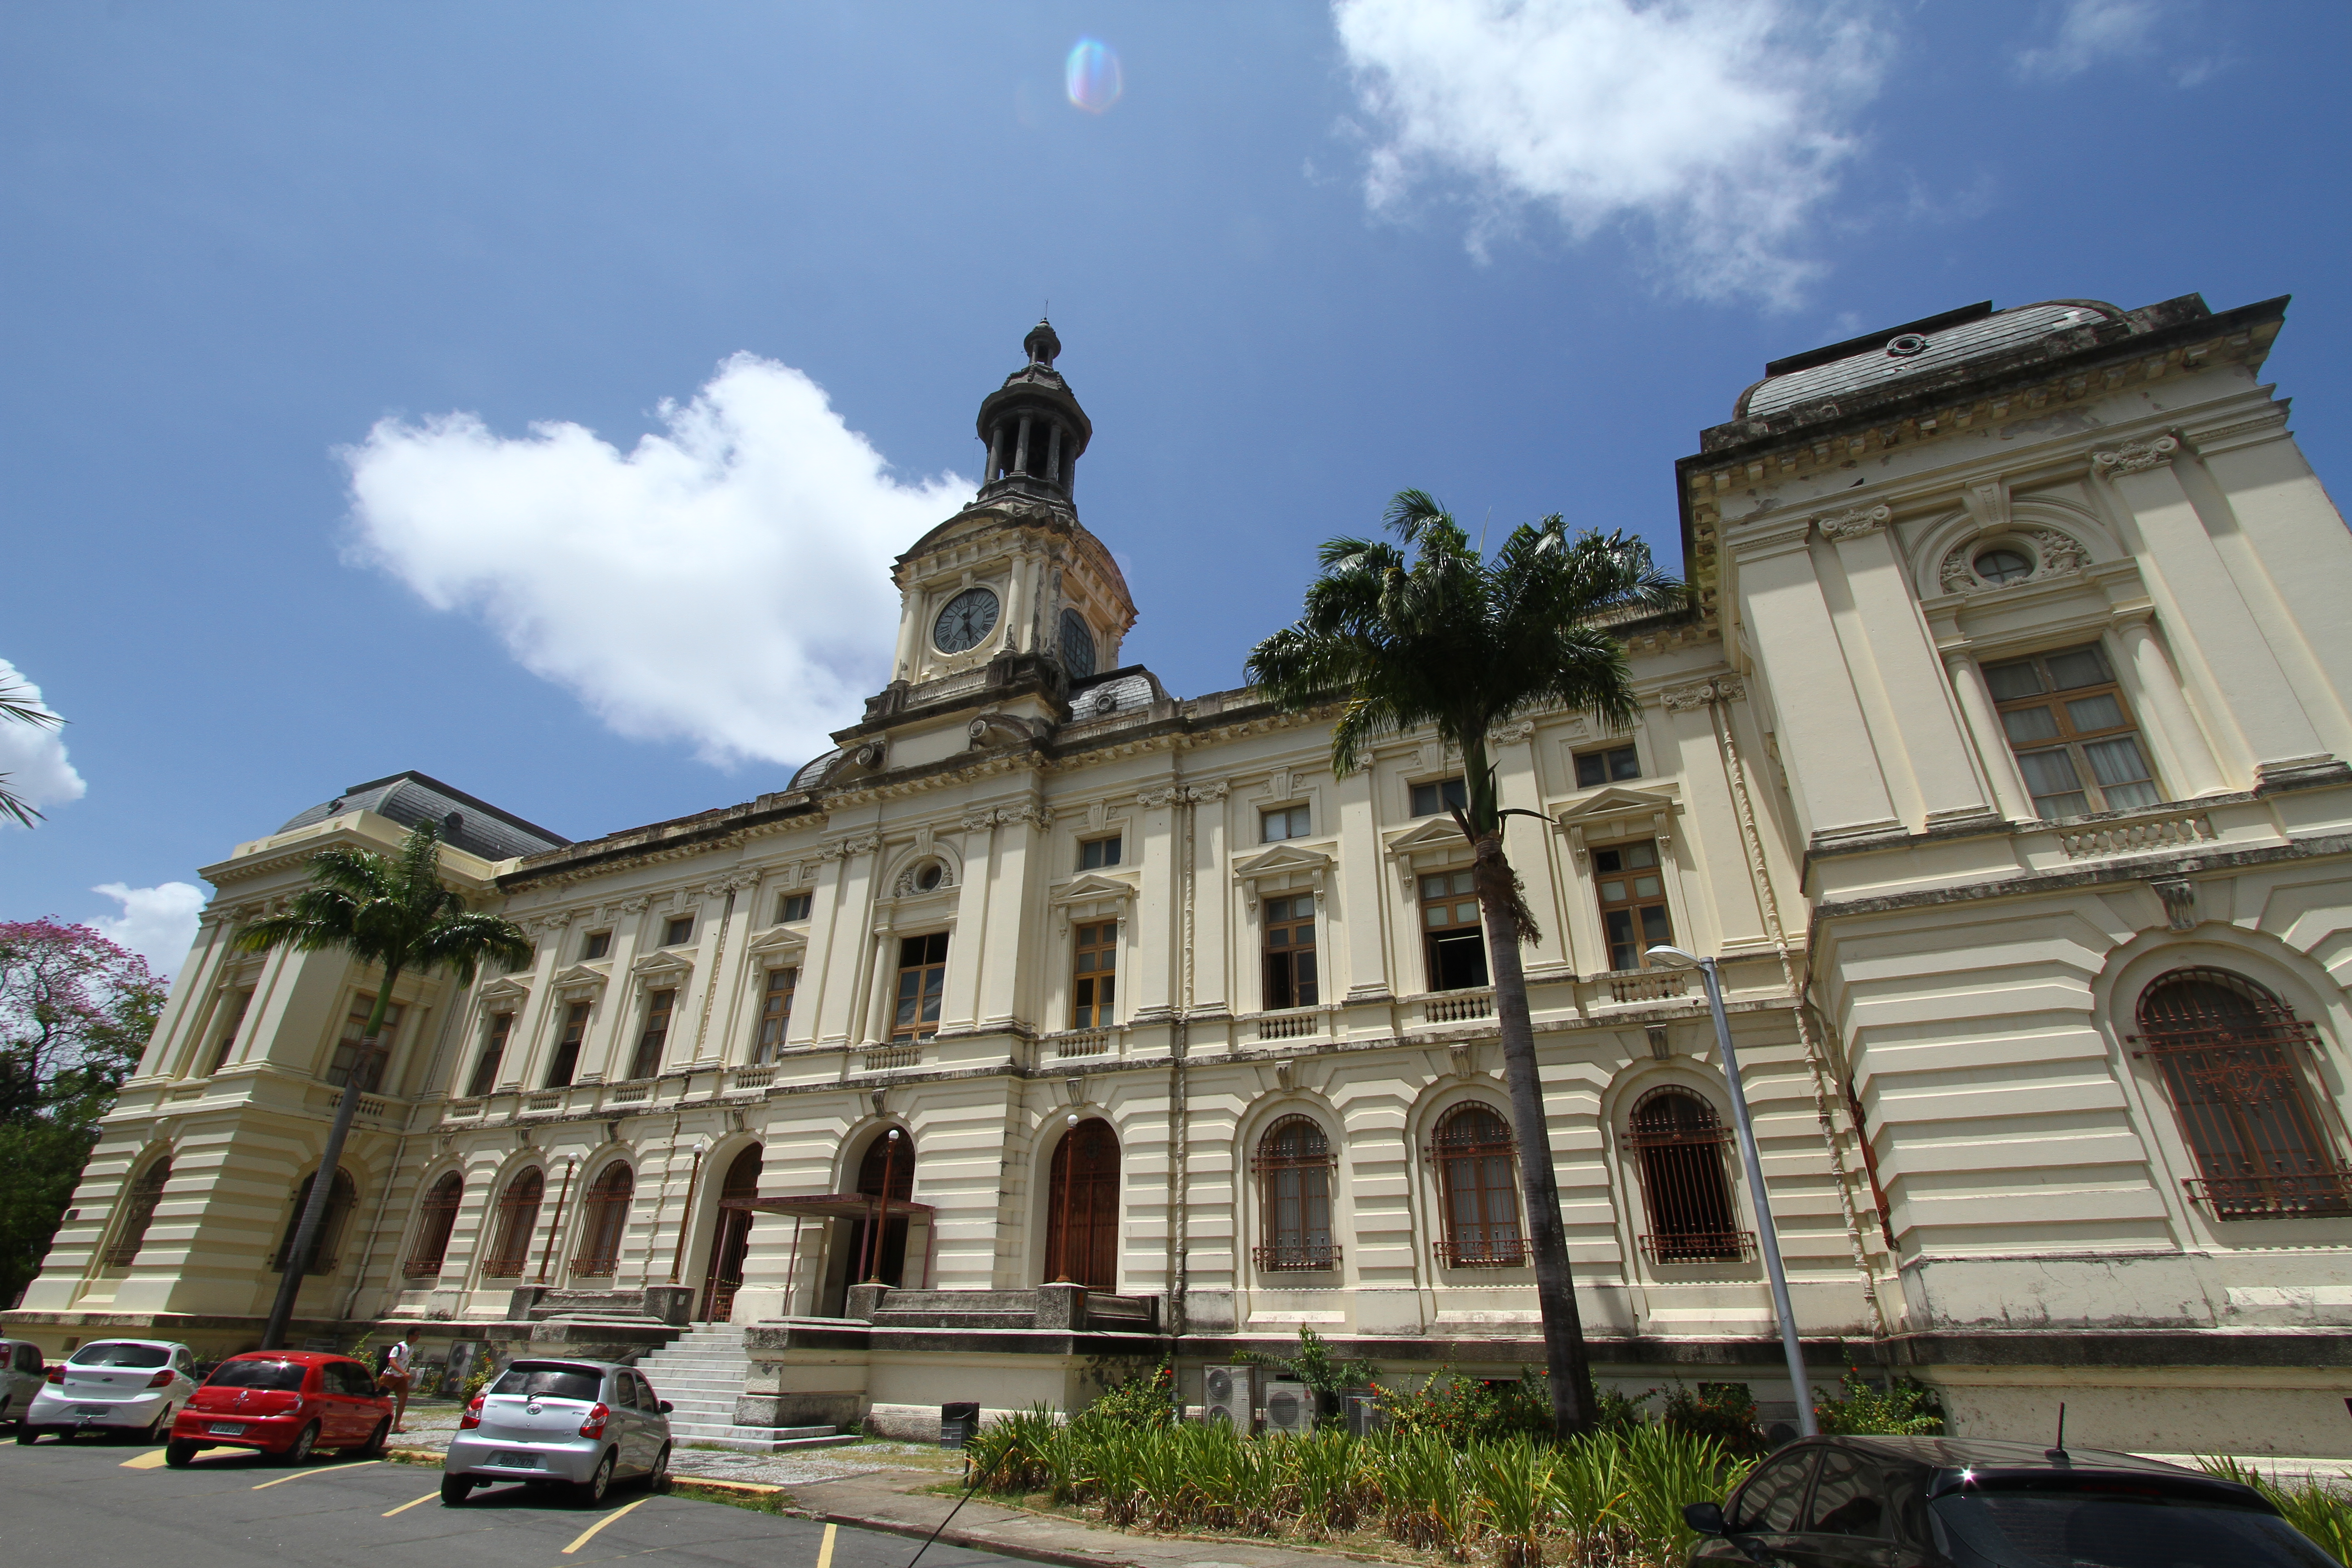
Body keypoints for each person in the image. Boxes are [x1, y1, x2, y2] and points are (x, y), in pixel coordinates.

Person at [381, 1335, 413, 1433]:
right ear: (410, 1336)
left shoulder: (412, 1348)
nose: (418, 1337)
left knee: (403, 1400)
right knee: (380, 1399)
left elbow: (407, 1362)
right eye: (416, 1335)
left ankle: (396, 1426)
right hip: (390, 1376)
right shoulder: (399, 1347)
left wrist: (405, 1374)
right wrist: (404, 1373)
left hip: (401, 1378)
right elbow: (392, 1362)